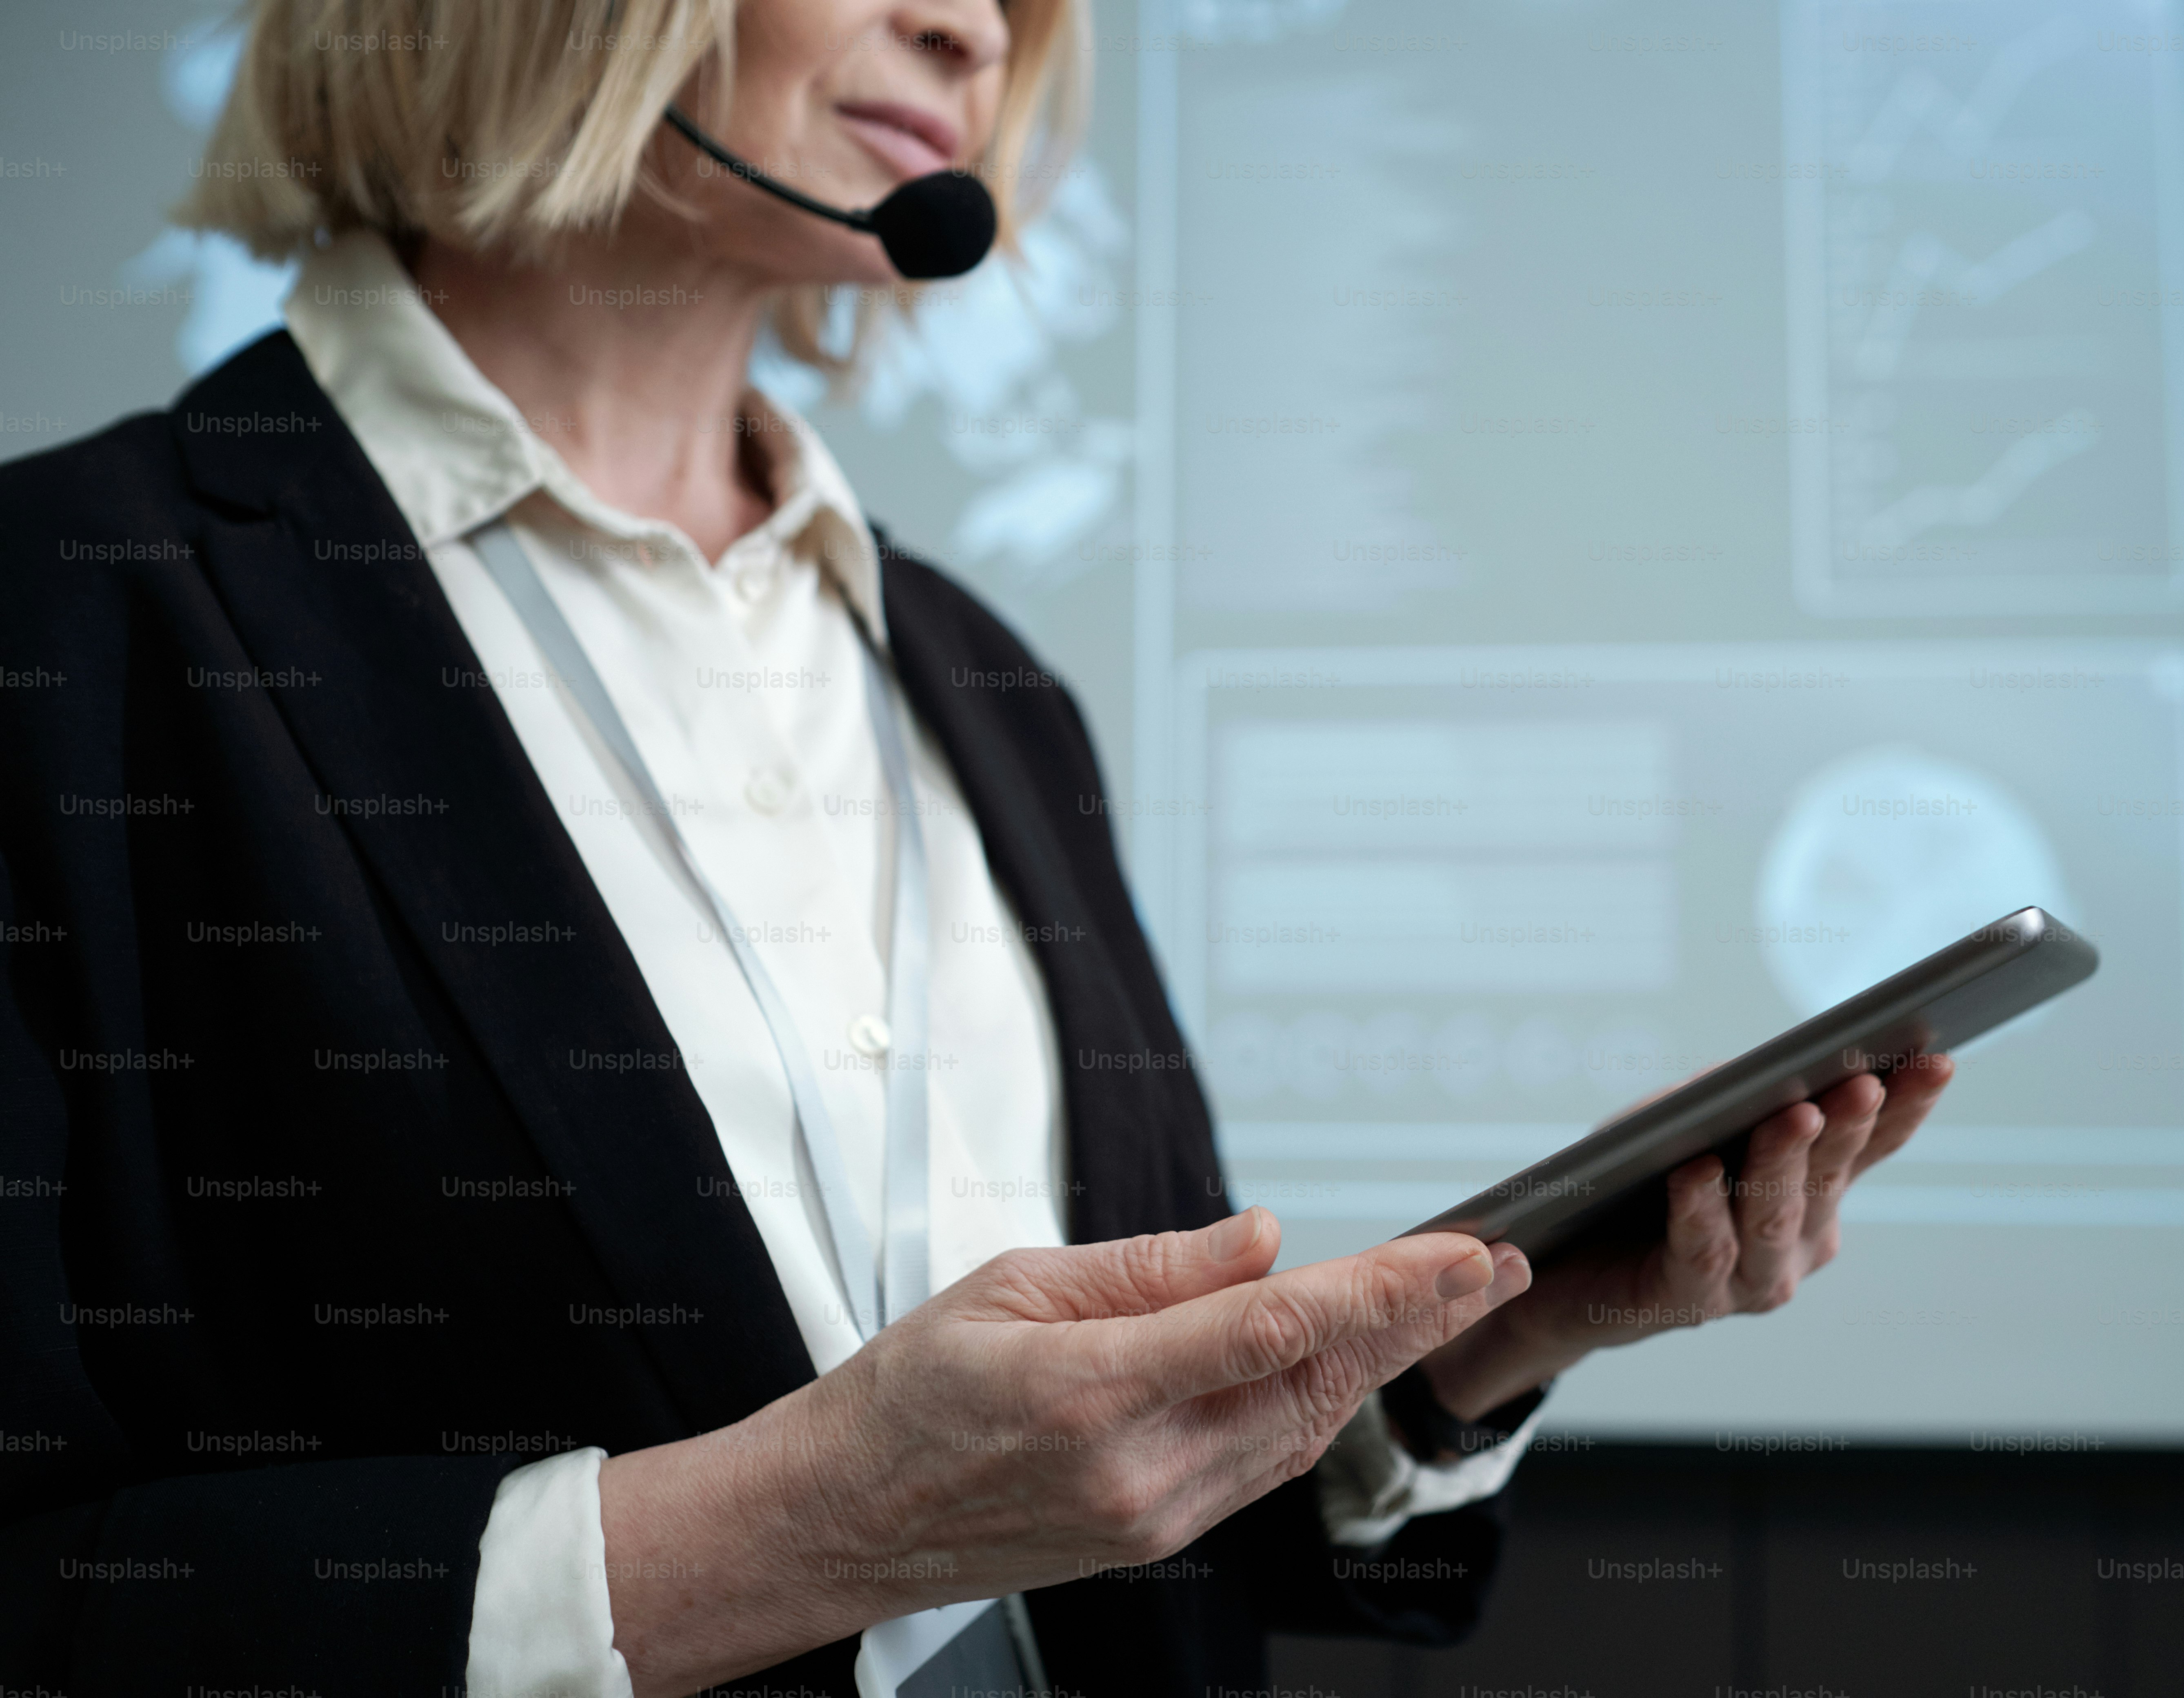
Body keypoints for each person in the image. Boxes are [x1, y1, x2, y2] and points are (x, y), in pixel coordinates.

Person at [0, 1, 1955, 1693]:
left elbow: (1123, 1532)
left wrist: (1501, 1324)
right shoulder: (66, 621)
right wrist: (789, 1531)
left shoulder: (980, 677)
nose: (976, 32)